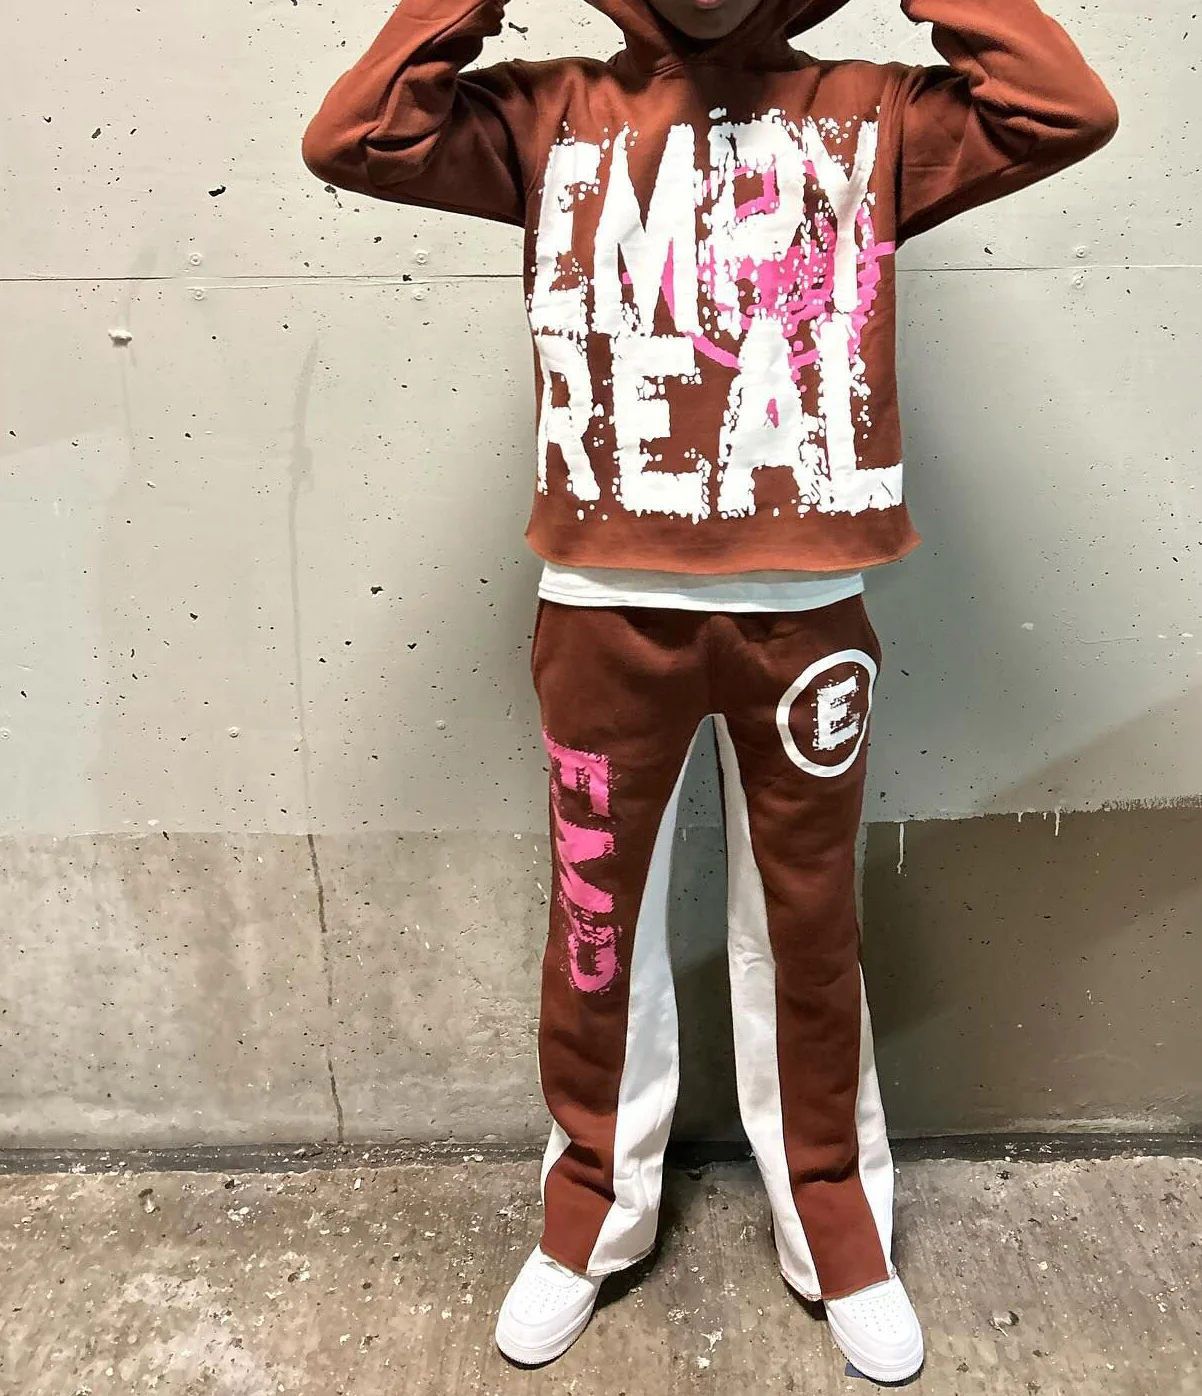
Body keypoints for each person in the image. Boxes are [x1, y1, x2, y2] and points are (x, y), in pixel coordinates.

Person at [303, 0, 1116, 1379]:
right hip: (601, 608)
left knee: (808, 929)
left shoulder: (872, 116)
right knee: (597, 931)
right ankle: (589, 1212)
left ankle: (834, 1222)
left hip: (806, 614)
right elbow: (355, 137)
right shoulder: (548, 115)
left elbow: (1064, 109)